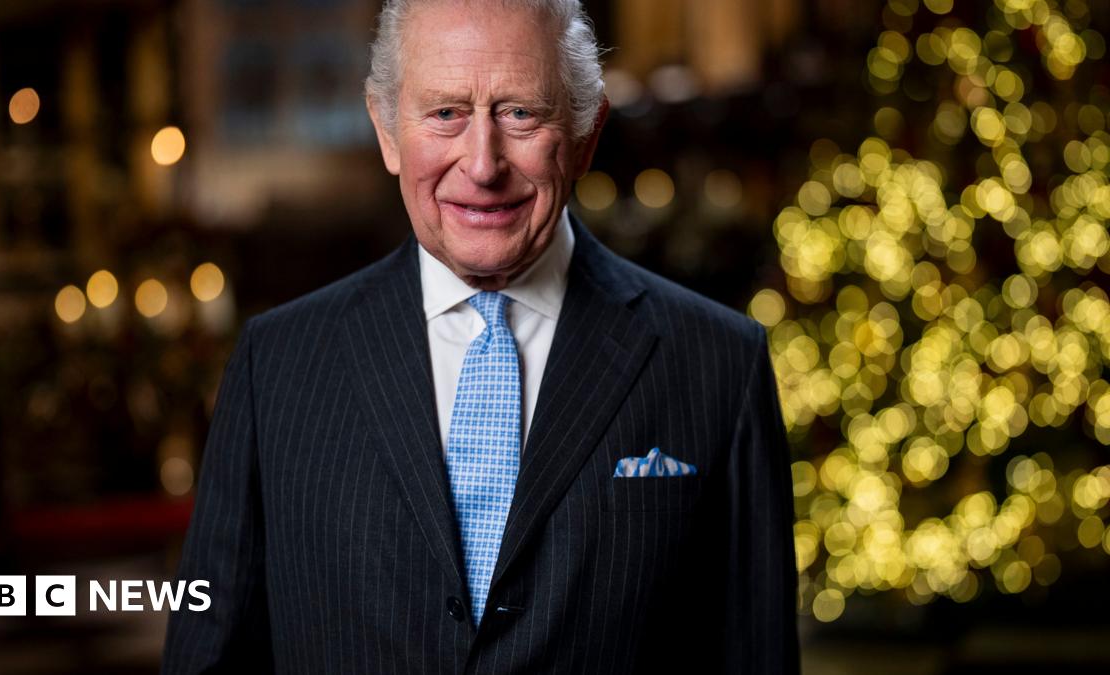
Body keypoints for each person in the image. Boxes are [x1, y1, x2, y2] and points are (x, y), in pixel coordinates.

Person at [162, 0, 799, 672]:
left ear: (586, 133)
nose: (483, 163)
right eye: (445, 113)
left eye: (521, 112)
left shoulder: (719, 365)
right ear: (386, 129)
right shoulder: (277, 367)